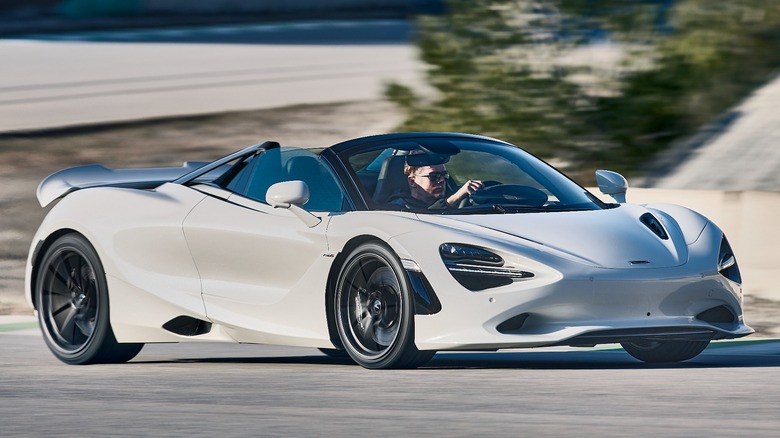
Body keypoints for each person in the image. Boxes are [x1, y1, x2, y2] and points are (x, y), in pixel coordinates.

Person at [390, 160, 484, 210]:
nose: (442, 180)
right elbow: (426, 217)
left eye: (444, 175)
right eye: (434, 176)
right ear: (412, 181)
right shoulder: (398, 208)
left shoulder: (455, 197)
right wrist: (455, 198)